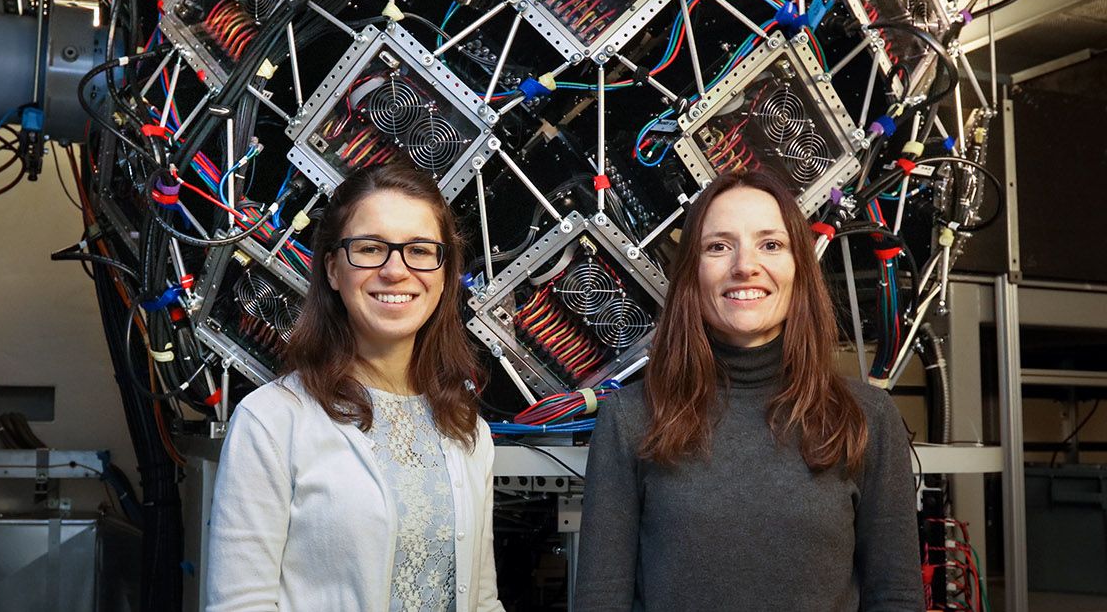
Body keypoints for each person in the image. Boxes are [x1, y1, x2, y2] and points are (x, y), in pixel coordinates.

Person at [574, 168, 923, 611]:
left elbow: (896, 597)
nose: (744, 266)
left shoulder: (867, 418)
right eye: (718, 247)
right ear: (691, 275)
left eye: (771, 244)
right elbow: (601, 601)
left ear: (800, 268)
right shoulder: (631, 418)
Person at [206, 162, 506, 612]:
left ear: (444, 273)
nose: (395, 270)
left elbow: (482, 601)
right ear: (332, 269)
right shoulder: (271, 421)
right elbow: (239, 605)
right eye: (369, 248)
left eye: (420, 250)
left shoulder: (467, 430)